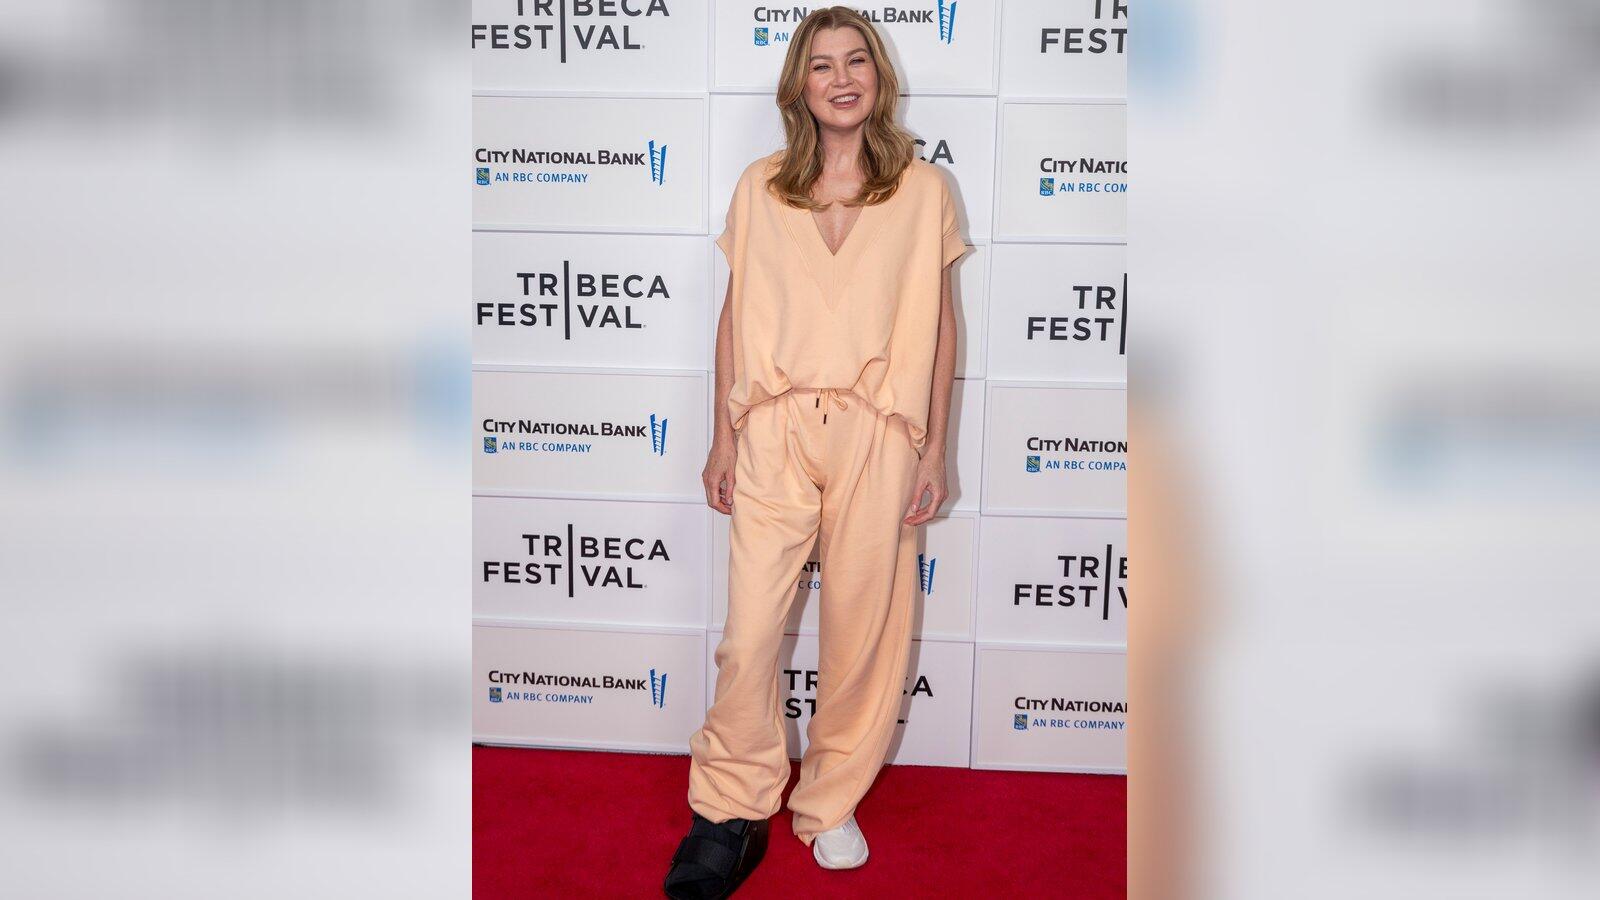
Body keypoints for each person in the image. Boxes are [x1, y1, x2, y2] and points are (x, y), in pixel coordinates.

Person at [662, 7, 967, 898]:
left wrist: (935, 449)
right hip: (774, 427)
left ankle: (830, 801)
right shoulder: (761, 186)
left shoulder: (923, 190)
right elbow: (734, 315)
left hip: (881, 430)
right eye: (822, 63)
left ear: (879, 77)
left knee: (863, 632)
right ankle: (731, 807)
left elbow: (942, 327)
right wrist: (722, 434)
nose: (841, 78)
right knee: (750, 633)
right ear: (799, 82)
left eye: (856, 60)